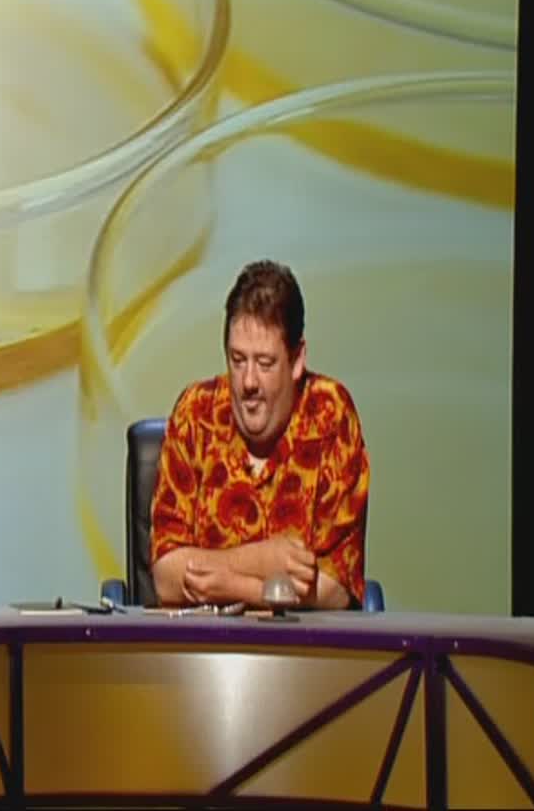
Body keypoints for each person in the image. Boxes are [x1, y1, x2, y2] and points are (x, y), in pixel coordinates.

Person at [149, 260, 369, 610]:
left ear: (297, 360)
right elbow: (165, 576)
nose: (248, 382)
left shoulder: (331, 415)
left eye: (265, 363)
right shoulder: (196, 414)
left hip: (302, 643)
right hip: (202, 642)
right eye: (238, 360)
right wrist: (263, 562)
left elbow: (335, 589)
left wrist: (229, 586)